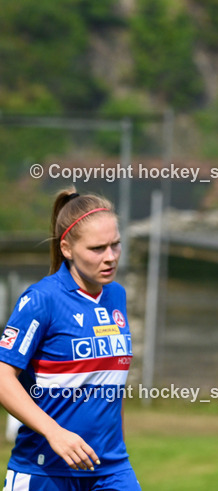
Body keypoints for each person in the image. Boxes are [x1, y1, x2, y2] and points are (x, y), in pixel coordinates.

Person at [0, 190, 140, 490]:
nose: (110, 257)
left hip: (111, 469)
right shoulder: (42, 299)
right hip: (44, 471)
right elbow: (2, 378)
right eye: (97, 248)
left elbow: (111, 382)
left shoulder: (116, 295)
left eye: (116, 245)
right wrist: (55, 433)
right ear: (66, 248)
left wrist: (118, 447)